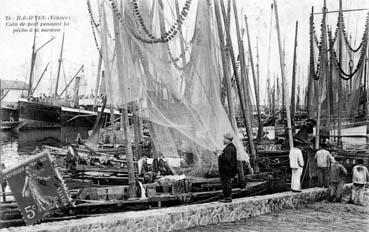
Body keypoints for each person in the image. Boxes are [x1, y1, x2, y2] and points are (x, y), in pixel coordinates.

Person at [217, 132, 238, 203]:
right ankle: (227, 197)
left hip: (226, 169)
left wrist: (219, 155)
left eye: (225, 139)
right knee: (226, 183)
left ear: (229, 140)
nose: (223, 140)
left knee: (226, 183)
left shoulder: (229, 148)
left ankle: (228, 198)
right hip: (228, 169)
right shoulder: (231, 147)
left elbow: (227, 158)